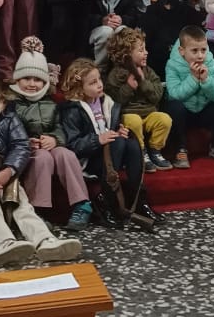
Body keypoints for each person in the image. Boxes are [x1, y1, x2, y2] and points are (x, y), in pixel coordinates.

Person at [0, 72, 83, 266]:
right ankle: (3, 244)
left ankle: (45, 241)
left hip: (8, 177)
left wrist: (9, 170)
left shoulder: (8, 117)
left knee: (23, 208)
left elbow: (21, 145)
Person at [58, 58, 155, 230]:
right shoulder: (72, 110)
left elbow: (110, 129)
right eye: (93, 82)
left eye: (99, 80)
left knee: (132, 144)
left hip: (110, 153)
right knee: (117, 143)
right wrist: (99, 139)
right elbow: (72, 145)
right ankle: (105, 200)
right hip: (89, 160)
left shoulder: (106, 103)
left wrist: (119, 130)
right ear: (80, 88)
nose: (99, 85)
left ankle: (139, 200)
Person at [6, 39, 89, 230]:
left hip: (50, 145)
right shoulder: (11, 104)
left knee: (65, 154)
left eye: (37, 79)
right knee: (42, 157)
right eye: (27, 79)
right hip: (27, 152)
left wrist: (55, 139)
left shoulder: (51, 102)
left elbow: (59, 127)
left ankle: (81, 204)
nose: (32, 84)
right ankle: (39, 210)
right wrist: (25, 142)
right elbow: (8, 132)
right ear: (17, 79)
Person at [102, 27, 179, 171]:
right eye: (141, 50)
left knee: (164, 119)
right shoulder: (116, 74)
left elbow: (157, 96)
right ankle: (141, 152)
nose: (146, 53)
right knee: (134, 120)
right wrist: (128, 87)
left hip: (149, 113)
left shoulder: (148, 72)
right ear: (126, 55)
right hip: (128, 115)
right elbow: (114, 101)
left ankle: (155, 151)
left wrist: (143, 82)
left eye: (145, 49)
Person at [165, 26, 214, 162]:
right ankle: (180, 148)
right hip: (184, 113)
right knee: (174, 107)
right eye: (194, 50)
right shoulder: (172, 65)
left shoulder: (211, 63)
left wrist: (205, 80)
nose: (200, 55)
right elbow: (174, 94)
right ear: (182, 51)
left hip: (204, 110)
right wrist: (193, 79)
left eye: (203, 50)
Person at [141, 0, 201, 114]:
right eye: (166, 3)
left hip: (188, 73)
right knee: (176, 108)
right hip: (159, 76)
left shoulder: (190, 14)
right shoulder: (151, 13)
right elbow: (144, 50)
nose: (169, 7)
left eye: (173, 3)